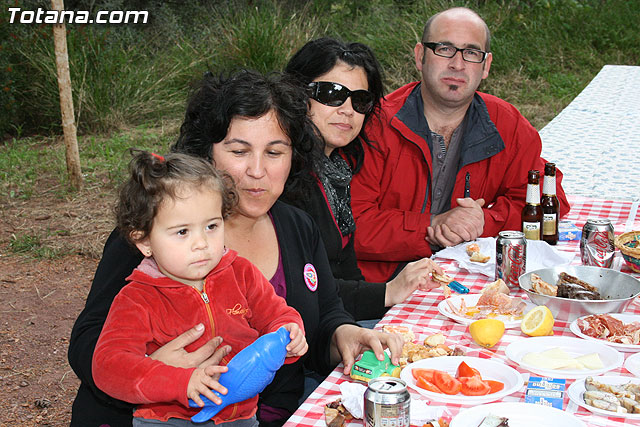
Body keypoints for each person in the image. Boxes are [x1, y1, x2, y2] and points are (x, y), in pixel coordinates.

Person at [68, 69, 404, 427]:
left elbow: (322, 314)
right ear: (208, 154)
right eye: (239, 151)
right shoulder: (159, 236)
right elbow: (88, 342)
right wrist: (155, 371)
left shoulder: (297, 226)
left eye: (274, 152)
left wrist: (343, 335)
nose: (257, 171)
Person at [350, 7, 571, 283]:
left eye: (471, 53)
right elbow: (350, 223)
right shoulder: (375, 125)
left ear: (486, 65)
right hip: (381, 287)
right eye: (444, 49)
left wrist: (482, 223)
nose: (457, 64)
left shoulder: (507, 125)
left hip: (467, 280)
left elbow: (549, 200)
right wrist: (433, 226)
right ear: (420, 56)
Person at [91, 150, 308, 426]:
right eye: (183, 232)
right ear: (144, 241)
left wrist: (290, 330)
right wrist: (180, 381)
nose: (201, 243)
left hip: (240, 415)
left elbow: (276, 313)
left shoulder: (241, 273)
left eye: (211, 226)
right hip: (168, 419)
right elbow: (108, 366)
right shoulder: (138, 298)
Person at [282, 37, 445, 321]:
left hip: (337, 320)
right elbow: (302, 290)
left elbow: (346, 269)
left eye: (360, 100)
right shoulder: (283, 176)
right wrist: (389, 291)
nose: (347, 109)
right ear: (297, 93)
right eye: (332, 94)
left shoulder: (336, 169)